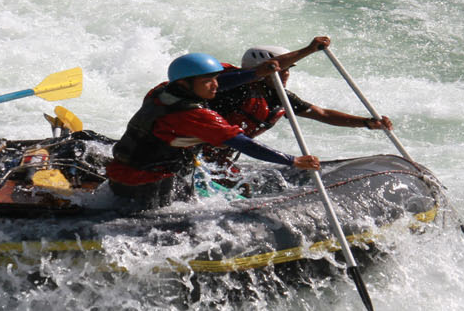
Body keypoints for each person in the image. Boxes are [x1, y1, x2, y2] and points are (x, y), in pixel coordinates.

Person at [106, 52, 321, 210]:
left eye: (216, 79)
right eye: (208, 81)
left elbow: (224, 82)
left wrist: (255, 73)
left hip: (119, 178)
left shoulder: (161, 91)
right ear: (186, 83)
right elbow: (244, 144)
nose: (216, 86)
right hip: (149, 187)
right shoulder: (196, 116)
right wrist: (292, 160)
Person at [205, 37, 391, 166]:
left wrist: (366, 123)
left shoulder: (280, 97)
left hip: (223, 156)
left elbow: (323, 114)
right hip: (195, 151)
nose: (286, 74)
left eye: (288, 69)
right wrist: (309, 49)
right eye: (281, 70)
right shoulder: (231, 87)